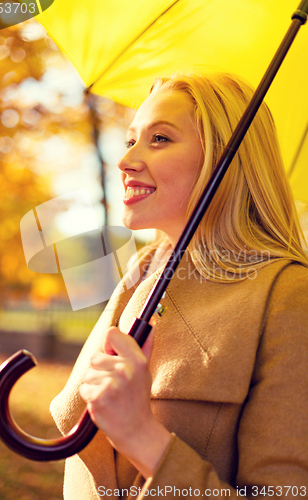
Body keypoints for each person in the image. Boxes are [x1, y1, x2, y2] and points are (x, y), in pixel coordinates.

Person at [50, 73, 308, 499]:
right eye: (131, 140)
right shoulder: (142, 274)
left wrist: (144, 439)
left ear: (226, 160)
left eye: (160, 139)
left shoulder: (287, 297)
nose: (126, 160)